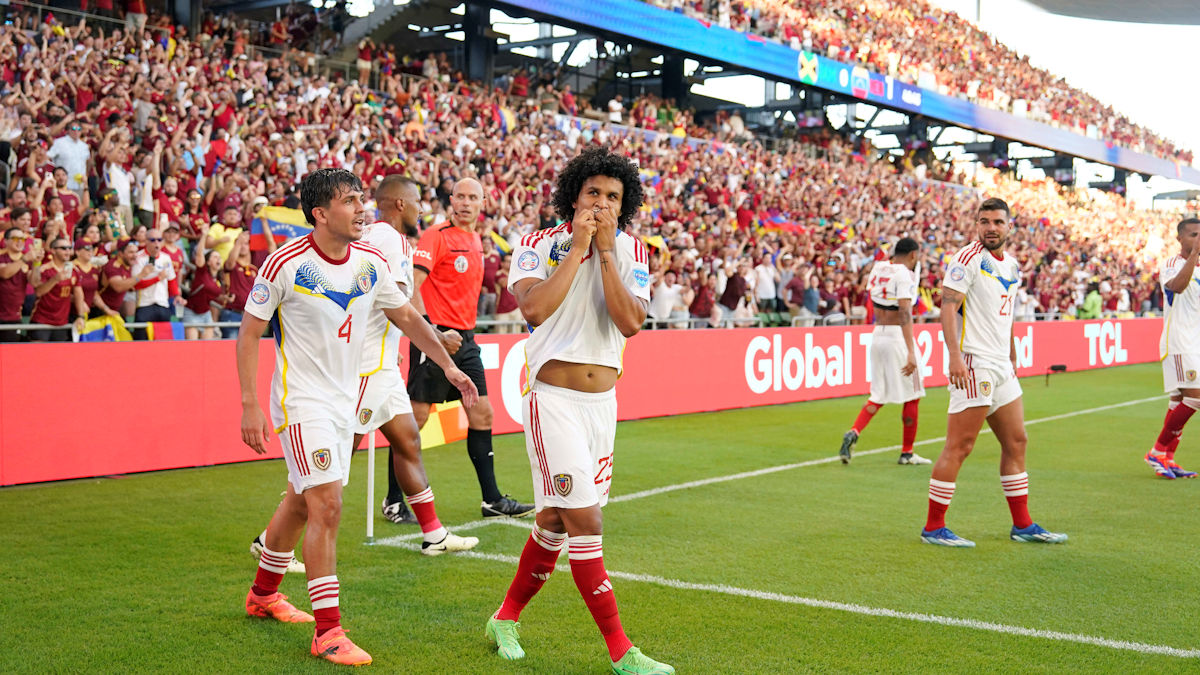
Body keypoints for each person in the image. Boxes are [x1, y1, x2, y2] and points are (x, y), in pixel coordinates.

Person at [238, 169, 478, 666]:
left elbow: (408, 316)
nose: (361, 208)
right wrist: (249, 403)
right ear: (321, 213)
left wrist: (450, 367)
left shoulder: (369, 260)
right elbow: (248, 333)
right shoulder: (284, 264)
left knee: (301, 503)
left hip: (346, 398)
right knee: (327, 504)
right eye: (349, 201)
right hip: (302, 403)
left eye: (360, 199)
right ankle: (329, 631)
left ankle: (262, 594)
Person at [486, 147, 673, 675]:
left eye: (614, 197)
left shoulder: (633, 249)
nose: (603, 203)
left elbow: (631, 322)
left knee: (554, 522)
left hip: (602, 406)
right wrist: (580, 248)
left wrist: (608, 253)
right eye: (594, 193)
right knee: (585, 520)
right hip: (553, 403)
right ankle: (622, 651)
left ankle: (504, 618)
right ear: (574, 196)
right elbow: (534, 308)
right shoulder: (536, 245)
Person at [346, 175, 480, 554]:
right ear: (400, 204)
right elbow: (398, 308)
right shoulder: (391, 240)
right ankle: (275, 544)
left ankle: (433, 533)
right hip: (367, 369)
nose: (423, 208)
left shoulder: (374, 237)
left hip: (379, 364)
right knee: (335, 464)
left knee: (408, 441)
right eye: (418, 201)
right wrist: (436, 338)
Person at [921, 198, 1067, 547]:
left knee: (1017, 441)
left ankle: (1023, 525)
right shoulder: (966, 259)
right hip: (974, 361)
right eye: (984, 221)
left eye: (998, 222)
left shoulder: (1012, 266)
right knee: (961, 445)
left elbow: (1006, 313)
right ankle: (933, 527)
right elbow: (947, 305)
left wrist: (1012, 350)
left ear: (1009, 227)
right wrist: (954, 356)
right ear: (977, 225)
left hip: (1001, 364)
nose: (991, 227)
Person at [408, 177, 534, 518]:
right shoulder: (436, 235)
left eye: (472, 197)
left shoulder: (476, 238)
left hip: (466, 339)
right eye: (459, 196)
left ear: (483, 203)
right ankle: (393, 500)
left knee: (482, 413)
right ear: (451, 200)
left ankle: (492, 500)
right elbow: (412, 287)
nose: (465, 202)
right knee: (415, 419)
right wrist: (432, 332)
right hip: (435, 339)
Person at [839, 238, 931, 465]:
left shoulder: (878, 268)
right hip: (897, 337)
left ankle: (854, 431)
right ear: (912, 255)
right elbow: (905, 313)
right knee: (913, 395)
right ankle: (907, 453)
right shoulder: (904, 275)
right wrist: (911, 351)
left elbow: (873, 299)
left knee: (878, 394)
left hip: (878, 334)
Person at [1144, 217, 1200, 479]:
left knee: (1178, 400)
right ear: (1180, 239)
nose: (1197, 238)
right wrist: (1195, 254)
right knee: (1195, 397)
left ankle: (1168, 457)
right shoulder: (1171, 264)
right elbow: (1177, 287)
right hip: (1178, 342)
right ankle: (1156, 452)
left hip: (1195, 343)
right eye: (1193, 234)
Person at [29, 237, 79, 342]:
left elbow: (79, 293)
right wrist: (55, 279)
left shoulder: (74, 270)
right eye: (63, 248)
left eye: (69, 248)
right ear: (53, 250)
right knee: (37, 355)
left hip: (62, 322)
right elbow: (38, 292)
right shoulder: (44, 269)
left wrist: (81, 316)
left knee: (58, 357)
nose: (68, 251)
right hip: (42, 320)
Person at [129, 228, 176, 339]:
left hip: (162, 304)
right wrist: (157, 278)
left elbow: (171, 281)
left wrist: (177, 296)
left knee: (163, 344)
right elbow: (136, 284)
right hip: (144, 304)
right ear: (146, 241)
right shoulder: (139, 258)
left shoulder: (166, 258)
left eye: (159, 240)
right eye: (153, 240)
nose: (157, 243)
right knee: (141, 343)